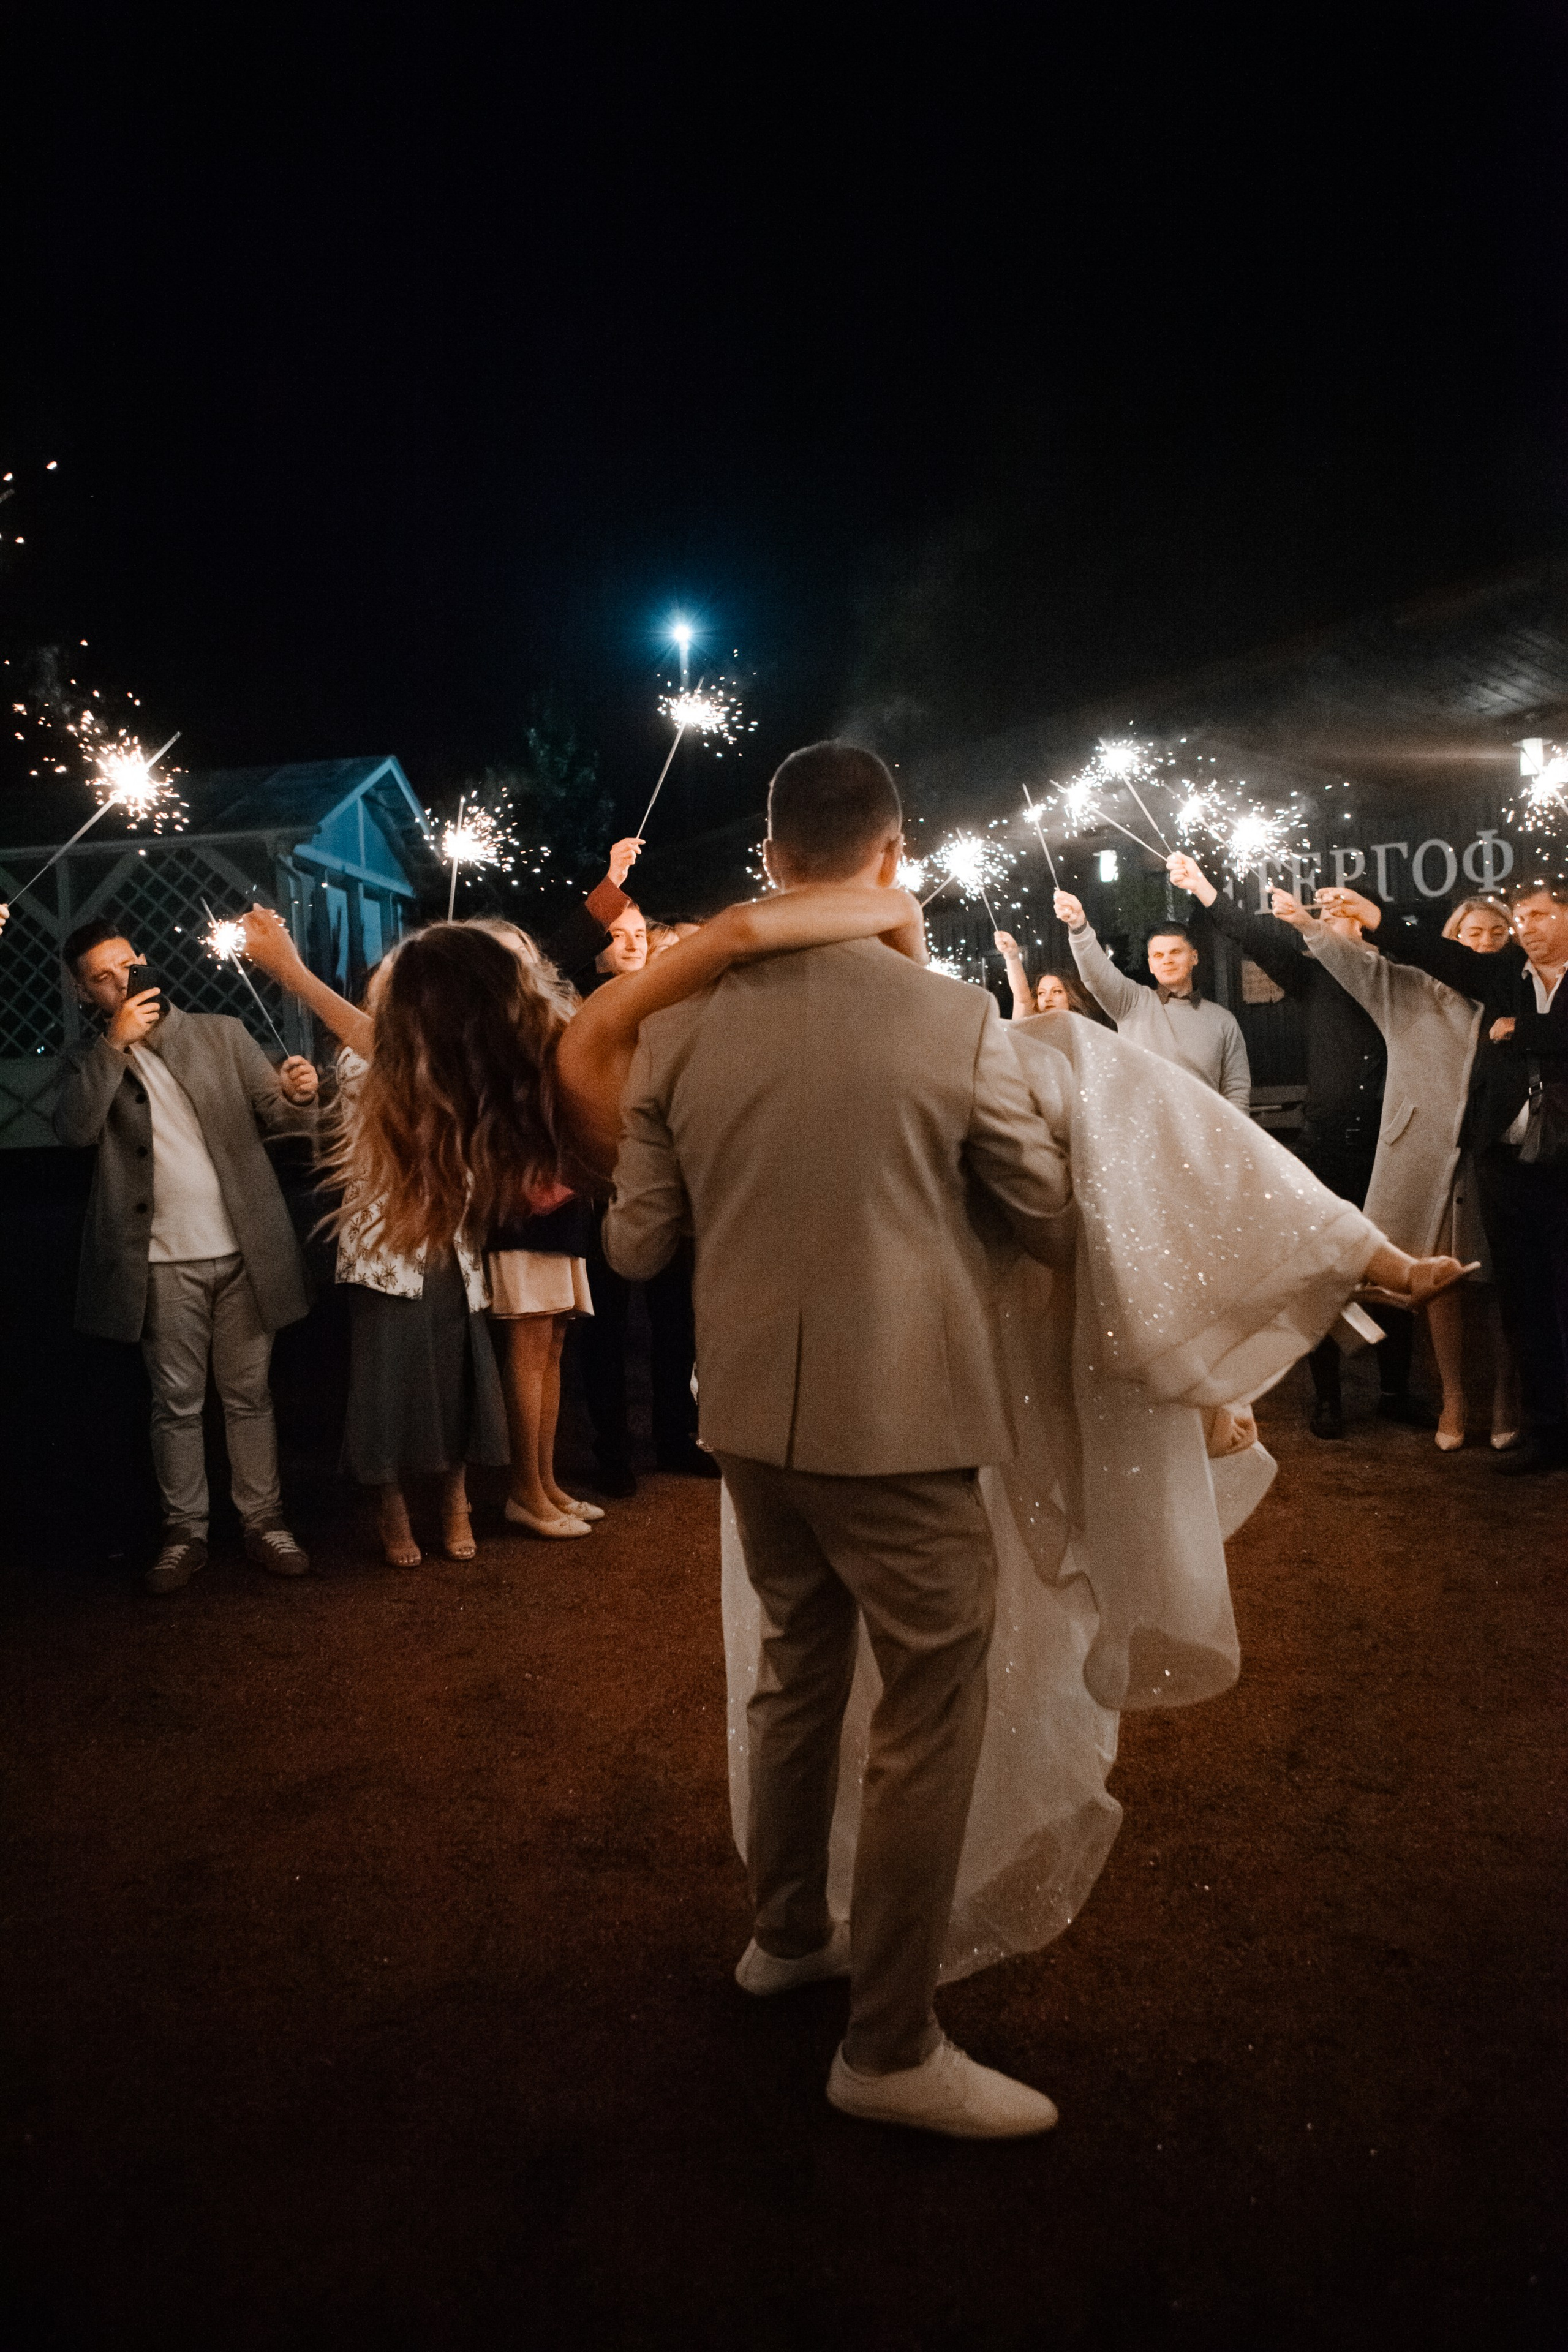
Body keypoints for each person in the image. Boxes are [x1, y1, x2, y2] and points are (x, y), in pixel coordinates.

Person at [53, 916, 318, 1593]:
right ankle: (185, 1532)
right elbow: (75, 1131)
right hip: (159, 1262)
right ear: (85, 993)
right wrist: (115, 1045)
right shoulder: (88, 1058)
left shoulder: (220, 1032)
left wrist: (300, 1094)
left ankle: (263, 1521)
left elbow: (282, 1116)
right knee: (175, 1403)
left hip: (244, 1251)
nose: (119, 982)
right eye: (101, 978)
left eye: (125, 965)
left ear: (143, 959)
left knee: (249, 1395)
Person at [238, 911, 511, 1566]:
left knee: (455, 1378)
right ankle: (391, 1506)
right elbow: (376, 1077)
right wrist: (302, 1087)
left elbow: (418, 1069)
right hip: (384, 1244)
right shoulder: (358, 1053)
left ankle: (455, 1499)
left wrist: (293, 972)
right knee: (386, 1384)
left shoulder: (457, 1048)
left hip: (450, 1238)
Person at [1167, 851, 1438, 1439]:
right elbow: (1256, 937)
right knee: (1325, 1270)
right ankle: (1329, 1398)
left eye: (1343, 913)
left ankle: (1396, 1391)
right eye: (1327, 914)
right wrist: (1205, 888)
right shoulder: (1314, 977)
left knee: (1395, 1268)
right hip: (1328, 1146)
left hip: (1391, 1147)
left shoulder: (1400, 984)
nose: (1329, 920)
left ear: (1368, 924)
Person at [1314, 877, 1568, 1474]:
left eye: (1538, 915)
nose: (1526, 927)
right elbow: (1435, 952)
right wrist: (1375, 915)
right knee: (1525, 1302)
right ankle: (1548, 1432)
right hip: (1503, 1164)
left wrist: (1523, 1030)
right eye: (1522, 917)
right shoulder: (1504, 976)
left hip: (1563, 1167)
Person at [1267, 885, 1518, 1451]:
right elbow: (1356, 965)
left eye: (1497, 934)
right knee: (1434, 1276)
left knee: (1502, 1282)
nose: (1484, 943)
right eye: (1472, 933)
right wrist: (1308, 924)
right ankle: (1453, 1398)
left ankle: (1507, 1400)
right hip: (1422, 1149)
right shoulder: (1410, 987)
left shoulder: (1515, 994)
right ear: (1451, 939)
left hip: (1492, 1151)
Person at [1052, 889, 1253, 1110]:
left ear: (1194, 957)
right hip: (1144, 1127)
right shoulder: (1132, 1003)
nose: (1167, 960)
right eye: (1158, 955)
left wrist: (1231, 1132)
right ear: (1150, 965)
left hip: (1204, 1129)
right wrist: (1079, 927)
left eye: (1175, 952)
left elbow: (1237, 1091)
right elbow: (1097, 974)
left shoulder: (1223, 1020)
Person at [992, 932, 1093, 1022]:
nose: (1047, 999)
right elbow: (1022, 999)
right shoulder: (1030, 1026)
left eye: (1057, 991)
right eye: (1041, 993)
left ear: (1072, 997)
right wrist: (1012, 957)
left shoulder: (1085, 1029)